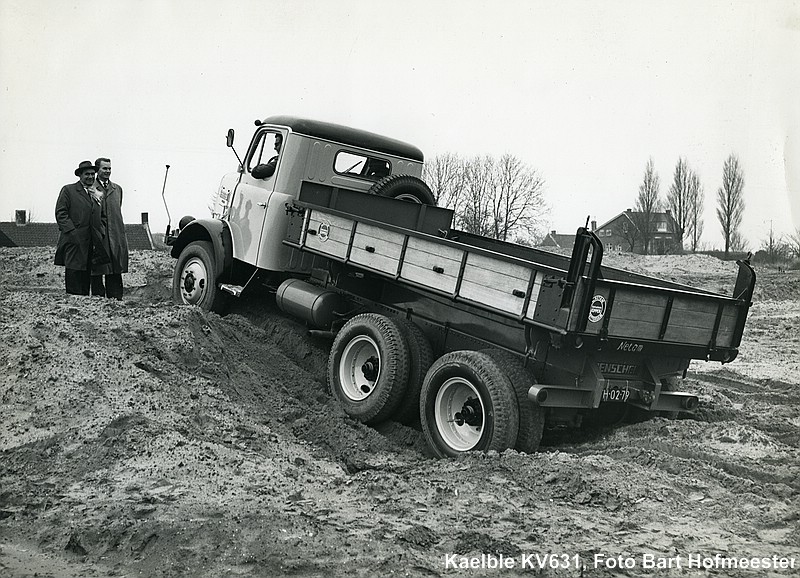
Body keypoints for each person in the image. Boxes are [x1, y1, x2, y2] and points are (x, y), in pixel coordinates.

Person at [54, 161, 110, 295]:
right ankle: (73, 305)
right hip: (74, 241)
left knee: (86, 273)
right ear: (80, 175)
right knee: (74, 271)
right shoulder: (69, 190)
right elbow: (61, 213)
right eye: (87, 174)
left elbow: (103, 216)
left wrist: (100, 232)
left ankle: (84, 306)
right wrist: (72, 232)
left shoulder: (97, 193)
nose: (90, 177)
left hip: (91, 241)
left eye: (92, 174)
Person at [92, 157, 129, 299]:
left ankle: (116, 301)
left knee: (114, 269)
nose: (107, 171)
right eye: (104, 168)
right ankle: (98, 302)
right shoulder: (91, 188)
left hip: (115, 236)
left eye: (109, 168)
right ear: (97, 170)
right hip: (100, 236)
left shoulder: (117, 189)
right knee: (97, 271)